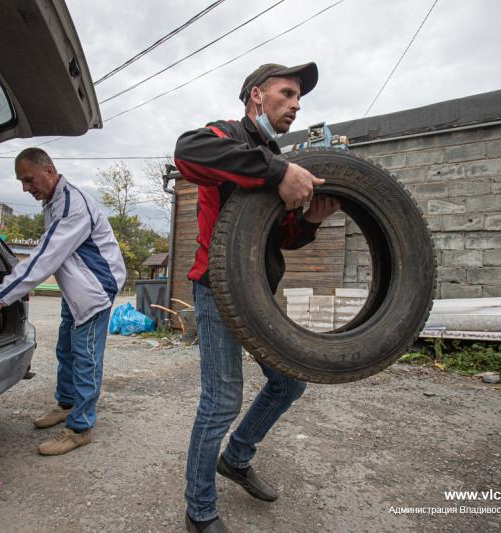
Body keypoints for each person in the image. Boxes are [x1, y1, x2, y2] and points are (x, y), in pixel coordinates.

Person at [173, 62, 341, 532]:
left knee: (289, 383)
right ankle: (200, 511)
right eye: (286, 94)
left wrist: (310, 219)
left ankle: (237, 457)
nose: (295, 104)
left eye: (299, 99)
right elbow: (186, 153)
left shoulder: (278, 159)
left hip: (260, 292)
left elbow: (281, 236)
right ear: (255, 97)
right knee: (221, 400)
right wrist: (278, 170)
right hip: (217, 288)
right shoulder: (225, 136)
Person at [0, 147, 126, 456]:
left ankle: (81, 427)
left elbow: (45, 256)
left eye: (29, 179)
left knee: (86, 356)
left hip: (95, 289)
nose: (26, 188)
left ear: (49, 171)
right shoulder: (53, 202)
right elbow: (48, 253)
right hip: (76, 287)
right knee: (66, 348)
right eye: (22, 182)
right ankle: (67, 405)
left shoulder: (72, 205)